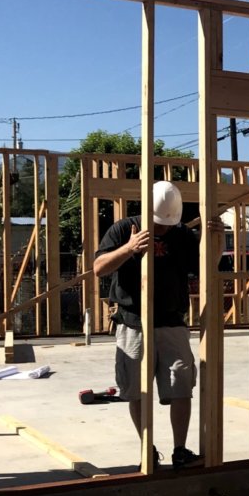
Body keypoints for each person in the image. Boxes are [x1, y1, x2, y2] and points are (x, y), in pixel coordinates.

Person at [94, 180, 212, 470]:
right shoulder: (123, 229)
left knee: (181, 384)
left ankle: (180, 450)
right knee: (135, 389)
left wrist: (215, 242)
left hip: (172, 322)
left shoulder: (183, 235)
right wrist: (130, 248)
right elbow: (99, 268)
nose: (163, 229)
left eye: (167, 224)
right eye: (159, 224)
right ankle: (147, 448)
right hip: (133, 322)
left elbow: (208, 268)